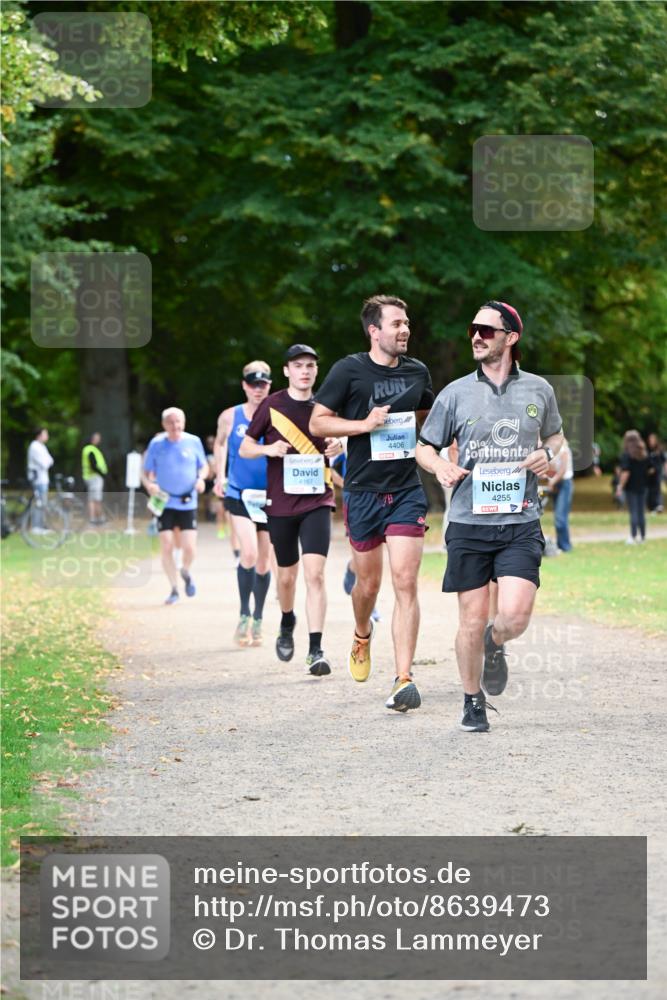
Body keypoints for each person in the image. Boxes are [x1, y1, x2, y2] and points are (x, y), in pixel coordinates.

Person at [416, 300, 563, 733]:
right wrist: (439, 464)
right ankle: (471, 700)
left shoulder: (539, 389)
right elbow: (424, 445)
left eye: (486, 330)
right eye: (473, 330)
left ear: (510, 338)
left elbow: (556, 435)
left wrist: (547, 453)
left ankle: (493, 644)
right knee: (470, 617)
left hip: (520, 521)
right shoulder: (456, 392)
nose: (476, 336)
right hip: (468, 523)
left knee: (514, 617)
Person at [310, 295, 434, 711]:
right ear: (374, 330)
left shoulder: (418, 372)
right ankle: (362, 633)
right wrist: (362, 426)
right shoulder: (349, 370)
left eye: (407, 323)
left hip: (405, 491)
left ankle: (403, 679)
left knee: (405, 581)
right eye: (396, 323)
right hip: (362, 492)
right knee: (369, 584)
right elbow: (318, 420)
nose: (405, 330)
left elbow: (429, 420)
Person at [240, 344, 343, 676]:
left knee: (315, 574)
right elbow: (245, 447)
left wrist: (338, 444)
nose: (305, 371)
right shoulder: (272, 405)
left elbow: (342, 438)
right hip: (281, 504)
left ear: (316, 370)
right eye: (298, 365)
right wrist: (269, 447)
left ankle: (315, 649)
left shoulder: (325, 405)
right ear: (286, 371)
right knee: (286, 577)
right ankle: (287, 620)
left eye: (311, 365)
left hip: (317, 500)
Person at [214, 362, 273, 646]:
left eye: (263, 384)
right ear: (244, 385)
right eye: (253, 383)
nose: (258, 388)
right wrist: (219, 475)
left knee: (264, 560)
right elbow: (221, 444)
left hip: (270, 497)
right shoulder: (230, 416)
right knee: (248, 553)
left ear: (269, 385)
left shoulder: (278, 415)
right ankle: (243, 614)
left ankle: (258, 619)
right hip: (238, 493)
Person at [143, 407, 208, 605]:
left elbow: (203, 466)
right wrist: (151, 485)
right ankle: (173, 588)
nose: (175, 426)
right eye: (170, 422)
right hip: (164, 501)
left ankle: (185, 571)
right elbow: (147, 472)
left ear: (184, 422)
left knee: (189, 547)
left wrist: (201, 479)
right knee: (167, 545)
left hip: (187, 501)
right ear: (164, 425)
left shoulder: (193, 441)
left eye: (178, 421)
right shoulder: (156, 444)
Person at [616, 430, 650, 544]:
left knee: (633, 512)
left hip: (631, 488)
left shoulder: (627, 455)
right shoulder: (644, 454)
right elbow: (650, 470)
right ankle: (643, 536)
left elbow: (626, 473)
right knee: (641, 512)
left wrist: (620, 485)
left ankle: (633, 536)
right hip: (643, 486)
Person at [546, 436, 574, 552]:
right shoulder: (551, 451)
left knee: (560, 517)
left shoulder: (564, 450)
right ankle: (561, 544)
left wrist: (551, 482)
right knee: (559, 517)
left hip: (565, 484)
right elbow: (551, 468)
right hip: (557, 483)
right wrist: (547, 477)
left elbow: (562, 471)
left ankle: (565, 546)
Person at [27, 427, 54, 529]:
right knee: (38, 502)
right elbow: (45, 463)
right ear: (39, 435)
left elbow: (51, 460)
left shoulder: (42, 447)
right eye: (45, 434)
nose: (47, 436)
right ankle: (36, 526)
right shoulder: (34, 446)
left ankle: (41, 525)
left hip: (43, 479)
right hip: (37, 479)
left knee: (43, 502)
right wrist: (47, 462)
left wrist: (47, 461)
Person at [81, 432, 108, 524]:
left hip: (90, 476)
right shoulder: (91, 450)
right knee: (96, 498)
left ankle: (94, 518)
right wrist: (102, 474)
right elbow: (93, 464)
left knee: (92, 498)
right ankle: (98, 518)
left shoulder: (89, 449)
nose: (99, 440)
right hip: (94, 477)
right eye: (97, 438)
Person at [646, 432, 665, 513]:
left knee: (656, 489)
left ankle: (658, 505)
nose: (651, 441)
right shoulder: (647, 451)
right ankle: (652, 508)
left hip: (657, 473)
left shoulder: (659, 451)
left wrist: (656, 469)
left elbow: (663, 461)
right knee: (649, 491)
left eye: (652, 440)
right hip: (649, 475)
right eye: (650, 440)